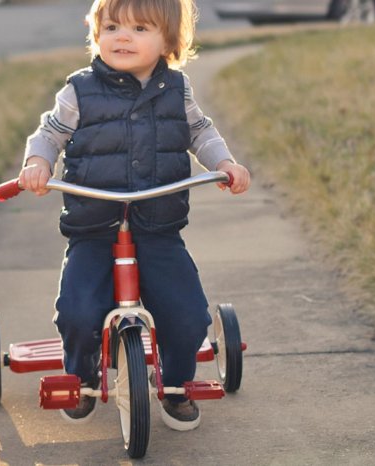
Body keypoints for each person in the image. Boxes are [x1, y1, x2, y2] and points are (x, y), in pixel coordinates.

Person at [17, 0, 251, 430]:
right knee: (78, 311)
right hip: (94, 227)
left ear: (168, 42)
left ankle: (177, 386)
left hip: (157, 226)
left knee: (187, 313)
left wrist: (225, 163)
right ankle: (84, 378)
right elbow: (50, 132)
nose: (122, 37)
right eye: (111, 27)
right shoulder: (79, 91)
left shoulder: (176, 90)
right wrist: (38, 163)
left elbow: (201, 131)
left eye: (140, 28)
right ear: (95, 34)